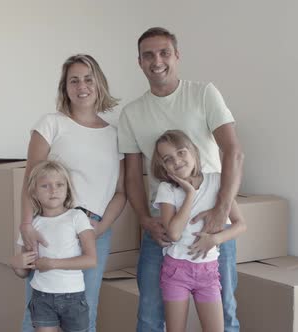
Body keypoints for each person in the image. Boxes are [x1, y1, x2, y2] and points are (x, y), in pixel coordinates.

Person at [117, 27, 245, 332]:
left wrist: (220, 211)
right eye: (148, 55)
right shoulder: (132, 113)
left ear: (177, 56)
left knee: (224, 315)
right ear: (139, 62)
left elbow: (233, 151)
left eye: (164, 53)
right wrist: (145, 219)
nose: (156, 60)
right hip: (163, 225)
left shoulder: (203, 93)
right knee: (149, 313)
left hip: (211, 223)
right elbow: (133, 175)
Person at [19, 54, 126, 332]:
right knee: (38, 316)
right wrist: (26, 225)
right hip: (51, 229)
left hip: (92, 232)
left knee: (84, 314)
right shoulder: (51, 124)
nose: (82, 86)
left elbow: (120, 193)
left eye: (88, 79)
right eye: (73, 80)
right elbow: (30, 182)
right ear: (64, 88)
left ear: (99, 83)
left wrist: (99, 229)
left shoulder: (115, 135)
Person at [151, 130, 246, 332]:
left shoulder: (218, 181)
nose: (176, 161)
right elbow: (174, 234)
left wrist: (214, 240)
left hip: (208, 271)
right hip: (176, 270)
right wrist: (190, 194)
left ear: (193, 151)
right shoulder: (166, 189)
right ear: (164, 167)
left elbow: (240, 225)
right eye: (168, 159)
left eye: (181, 152)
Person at [11, 160, 97, 332]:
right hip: (41, 297)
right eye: (45, 186)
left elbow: (91, 260)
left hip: (73, 297)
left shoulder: (77, 217)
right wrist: (16, 264)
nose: (53, 190)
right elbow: (23, 272)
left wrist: (53, 264)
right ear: (34, 192)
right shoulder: (31, 225)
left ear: (67, 188)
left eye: (59, 184)